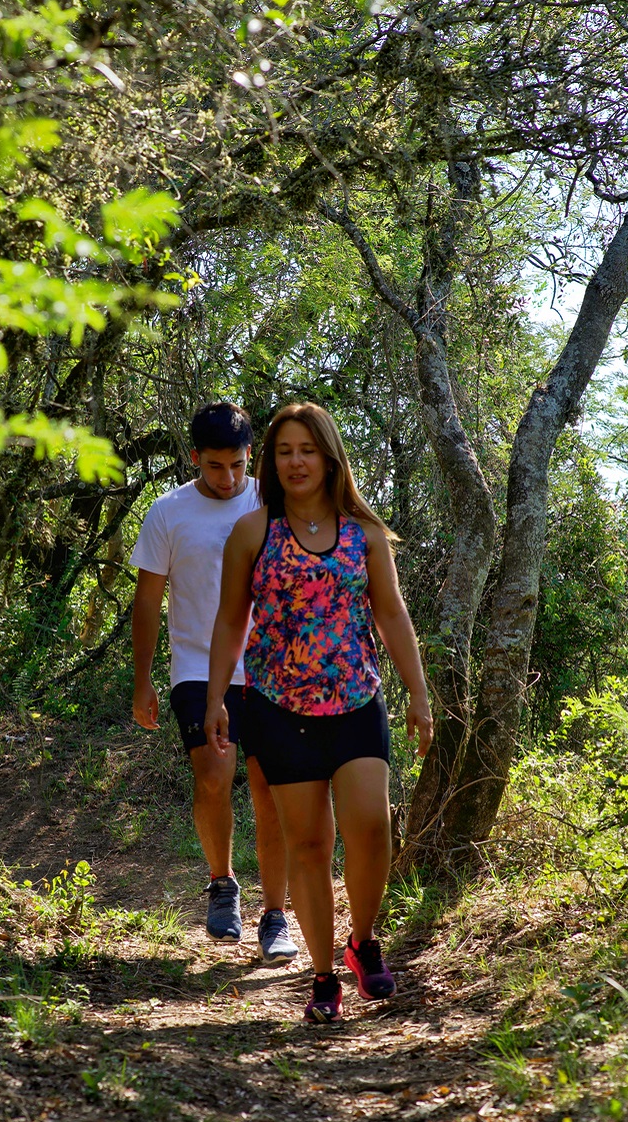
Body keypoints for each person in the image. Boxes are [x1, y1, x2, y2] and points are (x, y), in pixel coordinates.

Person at [204, 402, 434, 1023]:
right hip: (278, 709)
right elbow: (230, 619)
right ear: (271, 464)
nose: (295, 462)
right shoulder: (253, 532)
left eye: (306, 450)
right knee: (308, 845)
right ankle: (324, 975)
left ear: (329, 456)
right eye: (283, 452)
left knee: (370, 826)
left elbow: (391, 612)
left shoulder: (364, 532)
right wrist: (216, 698)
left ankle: (363, 942)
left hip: (358, 701)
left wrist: (417, 690)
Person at [130, 402, 297, 959]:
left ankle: (276, 915)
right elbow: (148, 601)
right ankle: (222, 884)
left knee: (271, 790)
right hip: (198, 669)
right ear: (196, 458)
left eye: (239, 466)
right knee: (212, 772)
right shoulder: (167, 513)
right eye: (216, 467)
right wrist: (142, 680)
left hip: (270, 667)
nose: (228, 479)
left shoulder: (271, 503)